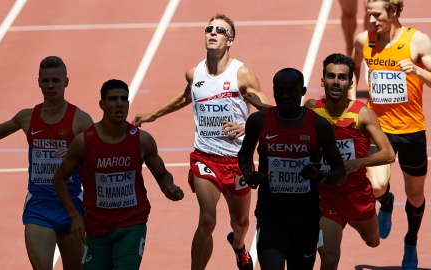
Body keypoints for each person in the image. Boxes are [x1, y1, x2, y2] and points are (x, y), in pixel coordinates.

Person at [132, 13, 270, 270]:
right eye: (209, 29)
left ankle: (239, 246)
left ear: (230, 40)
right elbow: (185, 97)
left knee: (240, 223)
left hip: (237, 161)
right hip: (205, 158)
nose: (213, 33)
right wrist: (153, 114)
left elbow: (268, 110)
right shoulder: (194, 73)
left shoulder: (242, 74)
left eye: (220, 30)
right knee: (207, 220)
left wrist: (245, 126)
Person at [0, 56, 94, 270]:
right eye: (45, 80)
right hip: (38, 205)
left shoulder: (80, 119)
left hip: (71, 204)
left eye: (56, 81)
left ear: (66, 82)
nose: (50, 86)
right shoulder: (27, 117)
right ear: (38, 82)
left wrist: (74, 153)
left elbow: (97, 155)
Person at [52, 79, 184, 270]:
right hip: (96, 228)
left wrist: (169, 188)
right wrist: (74, 216)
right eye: (113, 99)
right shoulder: (84, 142)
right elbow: (59, 179)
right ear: (102, 105)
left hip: (132, 224)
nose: (120, 104)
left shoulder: (142, 140)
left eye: (124, 99)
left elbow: (162, 174)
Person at [238, 67, 346, 270]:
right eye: (279, 90)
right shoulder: (259, 121)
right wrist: (248, 172)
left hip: (306, 218)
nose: (284, 96)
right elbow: (244, 153)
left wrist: (320, 176)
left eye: (291, 91)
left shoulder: (319, 126)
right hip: (271, 216)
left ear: (303, 91)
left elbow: (339, 172)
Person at [352, 0, 431, 268]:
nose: (371, 20)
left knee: (416, 195)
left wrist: (418, 70)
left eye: (377, 15)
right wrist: (353, 107)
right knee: (376, 186)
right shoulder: (364, 40)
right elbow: (352, 71)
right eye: (369, 14)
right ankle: (385, 202)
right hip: (379, 128)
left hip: (411, 131)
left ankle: (410, 241)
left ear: (394, 11)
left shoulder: (418, 41)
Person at [303, 53, 395, 270]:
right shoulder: (311, 109)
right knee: (330, 256)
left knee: (373, 241)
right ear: (323, 80)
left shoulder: (362, 114)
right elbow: (283, 123)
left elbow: (389, 153)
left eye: (342, 77)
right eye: (331, 76)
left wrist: (356, 163)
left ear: (350, 82)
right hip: (325, 199)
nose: (336, 81)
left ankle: (386, 201)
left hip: (357, 197)